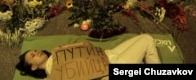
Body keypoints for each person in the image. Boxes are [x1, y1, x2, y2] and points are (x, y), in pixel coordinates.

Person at [16, 34, 161, 79]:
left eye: (34, 50)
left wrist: (62, 48)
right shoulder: (51, 78)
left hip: (108, 54)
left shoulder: (56, 51)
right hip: (108, 69)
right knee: (147, 41)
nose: (37, 52)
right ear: (33, 67)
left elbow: (85, 44)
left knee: (144, 38)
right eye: (33, 56)